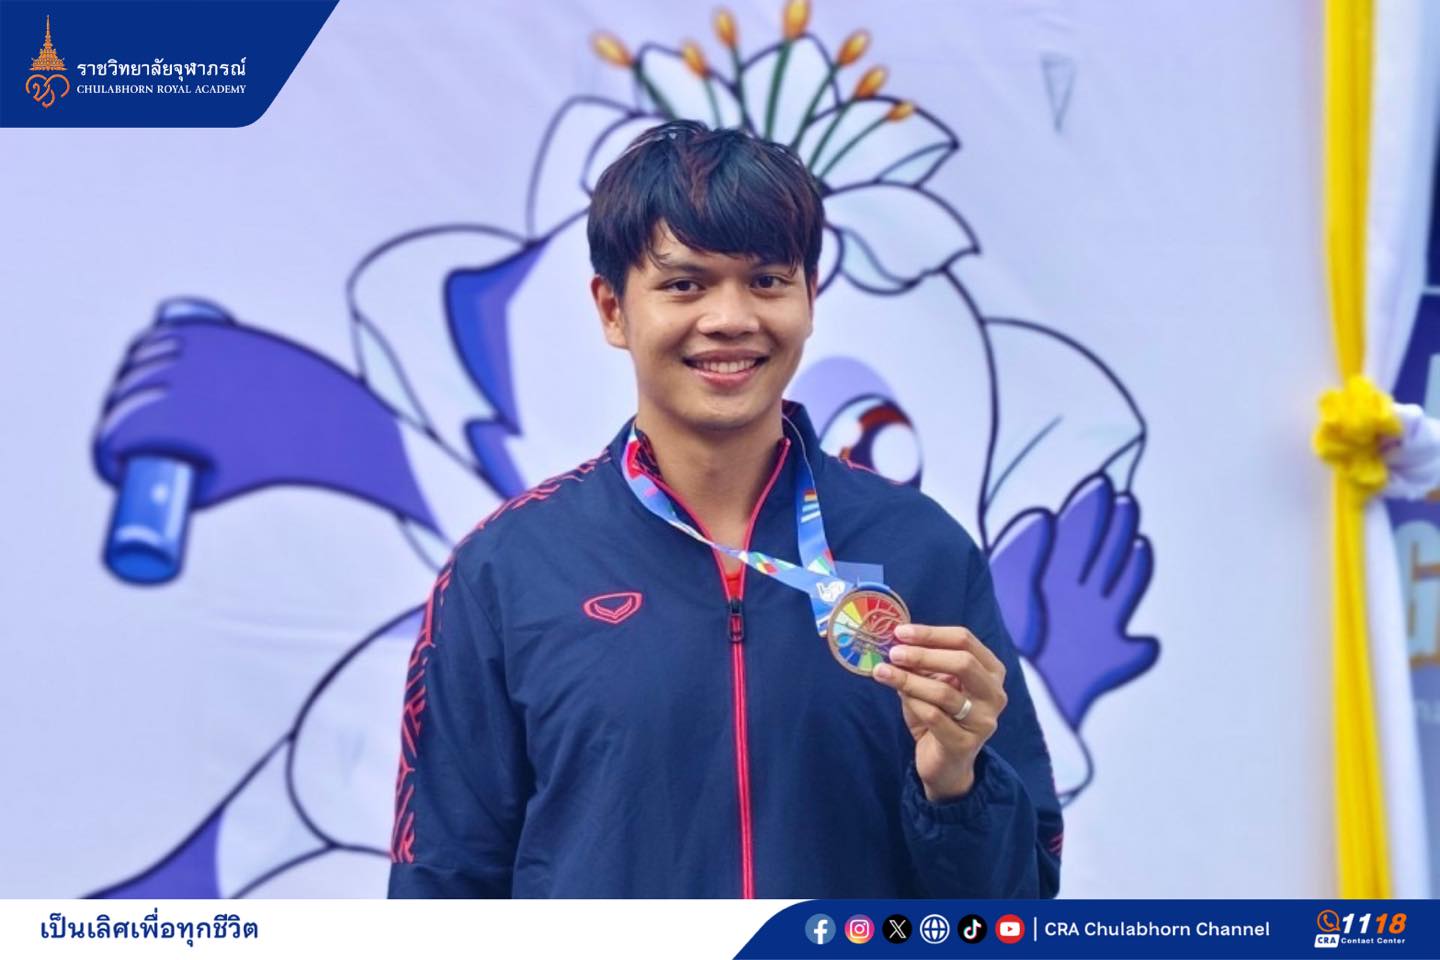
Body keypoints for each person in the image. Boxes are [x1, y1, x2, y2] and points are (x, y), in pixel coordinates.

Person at [387, 119, 1062, 898]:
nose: (731, 318)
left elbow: (1018, 903)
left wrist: (956, 785)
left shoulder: (921, 549)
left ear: (810, 298)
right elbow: (443, 886)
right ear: (612, 309)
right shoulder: (508, 570)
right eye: (685, 284)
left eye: (767, 281)